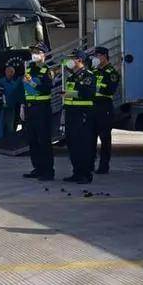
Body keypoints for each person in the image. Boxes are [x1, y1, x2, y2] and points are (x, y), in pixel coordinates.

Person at [21, 42, 55, 181]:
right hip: (30, 107)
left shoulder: (47, 70)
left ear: (43, 54)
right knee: (32, 140)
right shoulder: (29, 68)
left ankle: (48, 171)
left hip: (42, 107)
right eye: (33, 52)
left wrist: (33, 84)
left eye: (37, 52)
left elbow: (46, 89)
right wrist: (22, 106)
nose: (34, 54)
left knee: (44, 141)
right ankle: (37, 168)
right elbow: (24, 89)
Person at [62, 49, 96, 184]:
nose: (69, 61)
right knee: (72, 146)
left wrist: (69, 94)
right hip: (71, 114)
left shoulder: (88, 76)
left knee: (83, 146)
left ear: (80, 60)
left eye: (72, 58)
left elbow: (87, 93)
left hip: (82, 115)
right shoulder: (72, 77)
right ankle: (76, 172)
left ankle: (85, 174)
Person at [90, 46, 120, 174]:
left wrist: (95, 89)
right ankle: (89, 164)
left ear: (104, 56)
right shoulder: (94, 71)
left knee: (105, 138)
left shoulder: (111, 73)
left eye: (97, 56)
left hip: (104, 107)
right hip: (93, 107)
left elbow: (110, 90)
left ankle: (104, 166)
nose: (95, 59)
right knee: (90, 138)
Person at [0, 65, 23, 136]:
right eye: (8, 71)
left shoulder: (16, 82)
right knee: (0, 125)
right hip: (1, 107)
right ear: (5, 72)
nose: (10, 73)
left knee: (10, 126)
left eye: (12, 72)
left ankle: (10, 141)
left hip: (11, 107)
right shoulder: (0, 81)